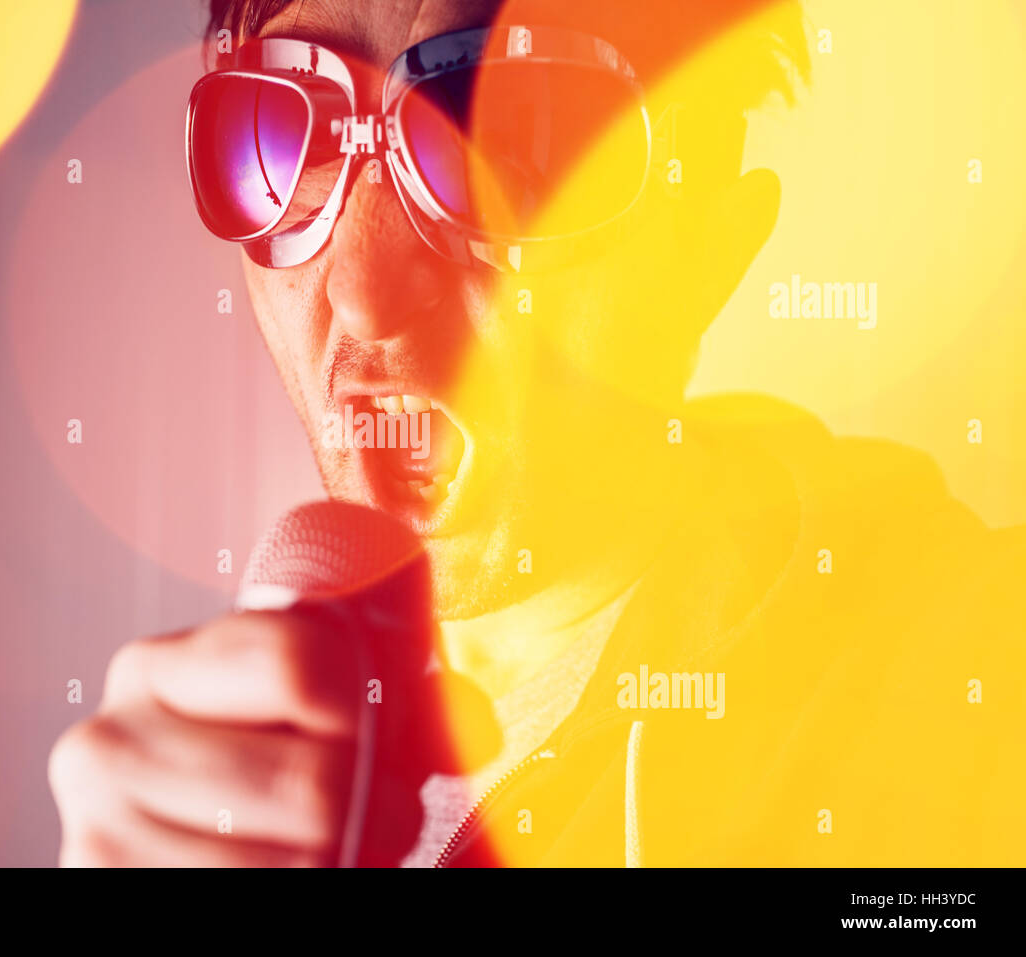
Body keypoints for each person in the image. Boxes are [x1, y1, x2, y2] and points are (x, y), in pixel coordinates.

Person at [49, 0, 1025, 866]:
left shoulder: (971, 684)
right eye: (279, 134)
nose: (364, 295)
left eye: (506, 139)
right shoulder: (226, 755)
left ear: (708, 255)